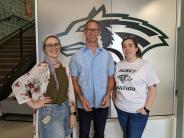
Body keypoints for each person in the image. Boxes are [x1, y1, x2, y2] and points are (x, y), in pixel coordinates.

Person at [11, 35, 76, 138]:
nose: (53, 48)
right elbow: (17, 85)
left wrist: (73, 114)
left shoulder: (65, 68)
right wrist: (33, 104)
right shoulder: (41, 68)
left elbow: (70, 92)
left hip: (65, 110)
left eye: (56, 44)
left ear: (60, 47)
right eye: (49, 45)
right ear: (44, 49)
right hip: (49, 112)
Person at [69, 19, 115, 138]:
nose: (92, 32)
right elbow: (74, 80)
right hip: (84, 103)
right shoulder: (76, 56)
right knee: (83, 134)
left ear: (99, 32)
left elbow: (111, 78)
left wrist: (108, 94)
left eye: (95, 29)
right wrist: (81, 98)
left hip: (102, 103)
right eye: (89, 29)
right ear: (84, 31)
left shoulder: (107, 55)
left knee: (100, 134)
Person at [112, 35, 160, 138]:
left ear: (136, 48)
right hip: (121, 110)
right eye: (124, 46)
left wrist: (146, 109)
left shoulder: (145, 65)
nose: (127, 48)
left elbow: (152, 89)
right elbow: (115, 85)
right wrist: (114, 100)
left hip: (138, 112)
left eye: (130, 45)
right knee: (126, 135)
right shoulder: (118, 65)